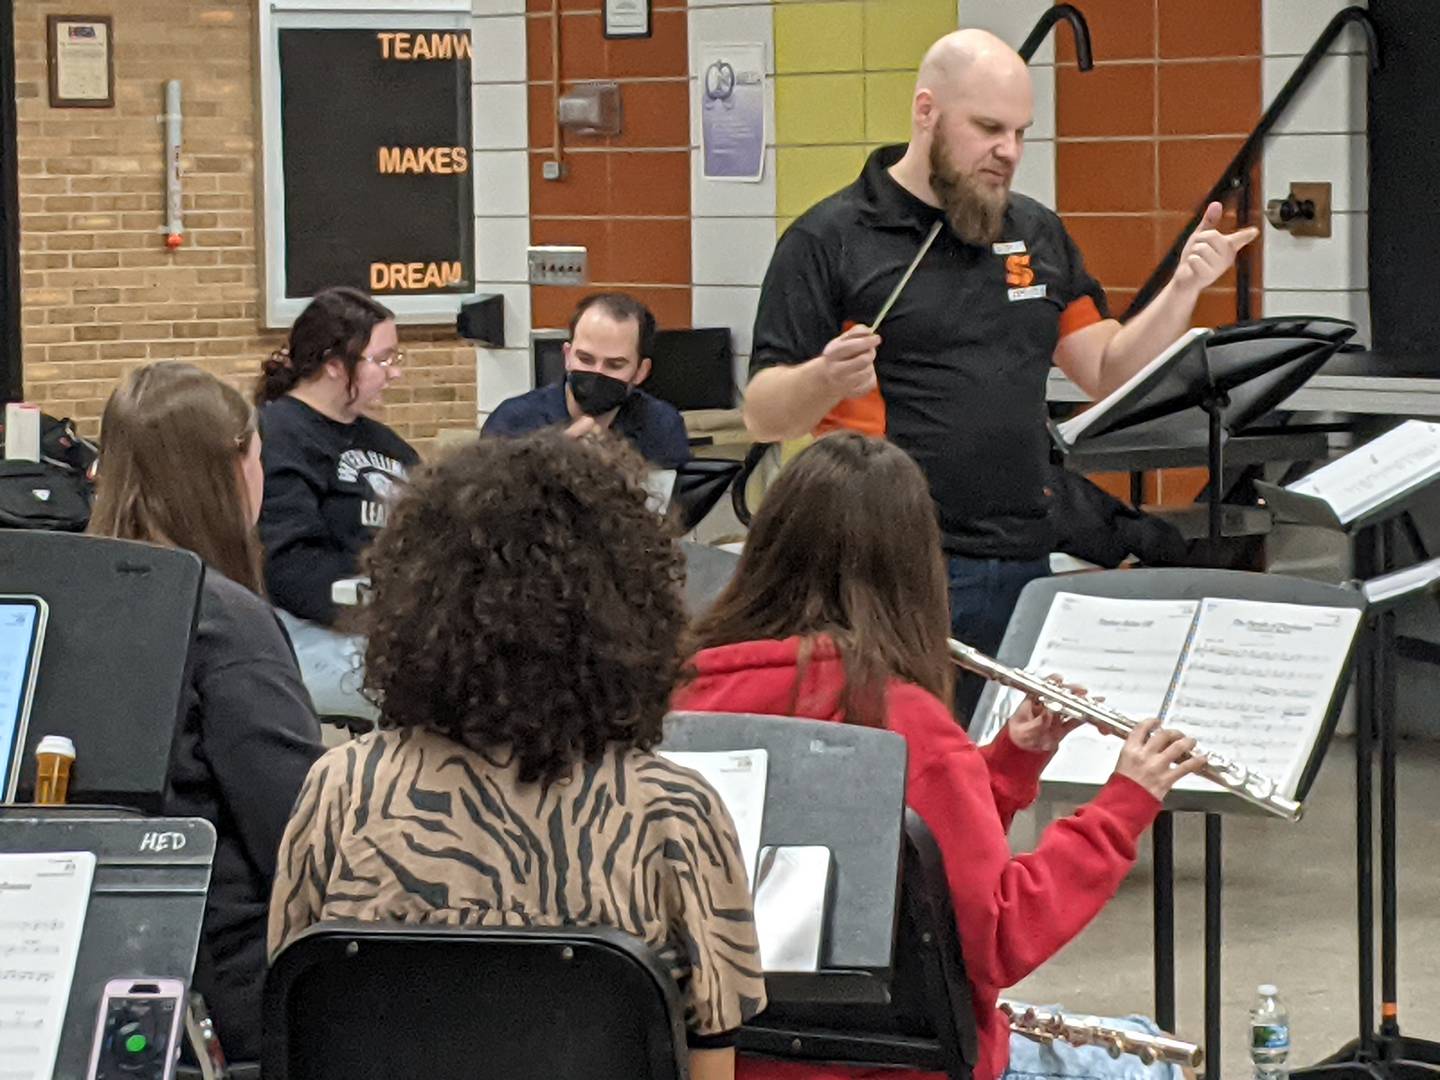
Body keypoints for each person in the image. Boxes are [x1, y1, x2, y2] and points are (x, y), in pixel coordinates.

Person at [741, 29, 1258, 713]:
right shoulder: (830, 240)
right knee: (899, 786)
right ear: (926, 112)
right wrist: (825, 379)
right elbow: (763, 413)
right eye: (988, 128)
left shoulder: (1035, 233)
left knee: (995, 785)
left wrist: (1183, 290)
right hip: (888, 567)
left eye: (1019, 132)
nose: (1008, 151)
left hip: (1019, 557)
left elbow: (1105, 368)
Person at [673, 432, 1206, 1080]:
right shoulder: (905, 726)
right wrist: (1120, 807)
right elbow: (1000, 939)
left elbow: (878, 833)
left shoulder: (684, 702)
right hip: (898, 1069)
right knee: (1152, 1057)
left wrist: (1006, 764)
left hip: (730, 1059)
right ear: (913, 568)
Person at [269, 431, 764, 1080]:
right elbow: (709, 1066)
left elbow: (295, 1021)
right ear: (629, 610)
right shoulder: (674, 813)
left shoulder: (339, 789)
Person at [88, 362, 325, 1062]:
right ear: (228, 469)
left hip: (98, 969)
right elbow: (298, 829)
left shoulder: (71, 603)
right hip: (228, 998)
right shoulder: (225, 622)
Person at [255, 286, 419, 718]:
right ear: (333, 364)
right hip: (315, 630)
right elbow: (290, 568)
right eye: (382, 360)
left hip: (392, 624)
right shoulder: (279, 435)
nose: (394, 373)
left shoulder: (389, 446)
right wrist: (388, 610)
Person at [482, 292, 692, 467]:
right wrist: (555, 456)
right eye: (585, 359)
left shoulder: (661, 425)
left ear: (641, 371)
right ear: (567, 355)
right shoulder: (512, 422)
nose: (597, 372)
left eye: (615, 365)